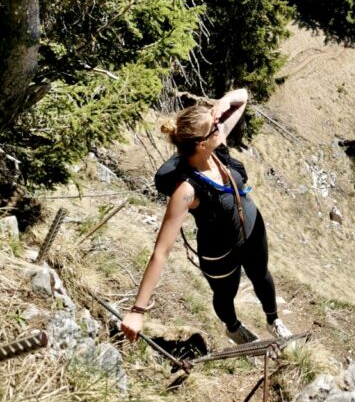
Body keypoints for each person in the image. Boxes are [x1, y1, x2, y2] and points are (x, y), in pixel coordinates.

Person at [121, 88, 292, 345]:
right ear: (201, 143)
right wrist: (137, 311)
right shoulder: (188, 190)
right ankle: (233, 328)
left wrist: (222, 102)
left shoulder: (216, 150)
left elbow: (243, 97)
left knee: (262, 276)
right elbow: (161, 252)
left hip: (251, 229)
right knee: (225, 295)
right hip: (219, 252)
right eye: (215, 127)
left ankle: (273, 320)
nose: (220, 127)